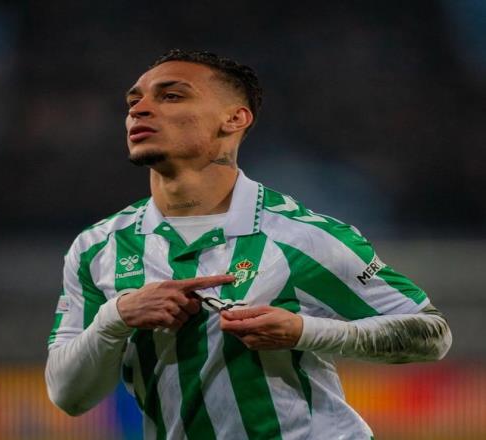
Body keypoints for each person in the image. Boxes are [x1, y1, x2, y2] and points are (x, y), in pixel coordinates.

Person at [45, 49, 452, 440]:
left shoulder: (303, 236)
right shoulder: (97, 248)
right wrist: (116, 316)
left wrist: (303, 331)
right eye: (134, 101)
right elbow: (69, 397)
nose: (140, 109)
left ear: (234, 118)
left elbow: (431, 333)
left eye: (171, 96)